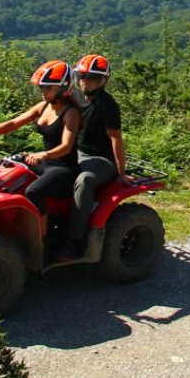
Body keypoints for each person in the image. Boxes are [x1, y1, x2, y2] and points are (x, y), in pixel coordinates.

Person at [0, 60, 80, 218]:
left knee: (33, 191)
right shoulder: (43, 106)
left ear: (63, 88)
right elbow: (13, 123)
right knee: (2, 172)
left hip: (63, 167)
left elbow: (66, 146)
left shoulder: (71, 113)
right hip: (45, 162)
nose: (43, 91)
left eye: (48, 87)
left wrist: (43, 154)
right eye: (41, 87)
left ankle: (40, 238)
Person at [68, 53, 126, 259]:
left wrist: (121, 172)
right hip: (77, 153)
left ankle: (75, 240)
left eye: (92, 77)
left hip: (101, 160)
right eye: (82, 76)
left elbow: (116, 138)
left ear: (103, 80)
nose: (86, 82)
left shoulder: (108, 105)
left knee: (84, 181)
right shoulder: (74, 97)